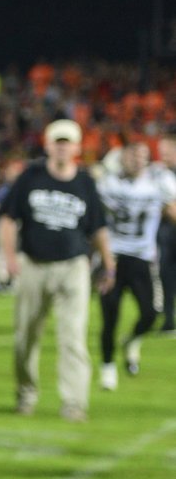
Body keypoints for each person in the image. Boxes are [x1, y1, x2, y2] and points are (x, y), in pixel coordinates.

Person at [0, 119, 115, 422]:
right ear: (48, 145)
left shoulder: (85, 182)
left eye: (68, 142)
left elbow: (98, 227)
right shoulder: (30, 177)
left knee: (73, 338)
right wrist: (9, 257)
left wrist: (109, 263)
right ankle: (26, 394)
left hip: (73, 267)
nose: (62, 147)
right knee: (26, 336)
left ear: (77, 147)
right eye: (57, 142)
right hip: (33, 265)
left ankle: (74, 403)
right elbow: (8, 219)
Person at [95, 141, 176, 389]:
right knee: (110, 316)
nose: (136, 160)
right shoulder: (106, 183)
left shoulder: (159, 182)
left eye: (142, 156)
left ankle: (131, 341)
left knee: (152, 314)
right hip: (112, 258)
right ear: (121, 158)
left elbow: (172, 211)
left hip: (143, 258)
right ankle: (107, 367)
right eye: (132, 155)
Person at [156, 134, 176, 335]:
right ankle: (169, 320)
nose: (164, 155)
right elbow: (169, 209)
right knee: (167, 276)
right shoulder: (159, 175)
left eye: (169, 151)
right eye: (162, 152)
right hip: (167, 234)